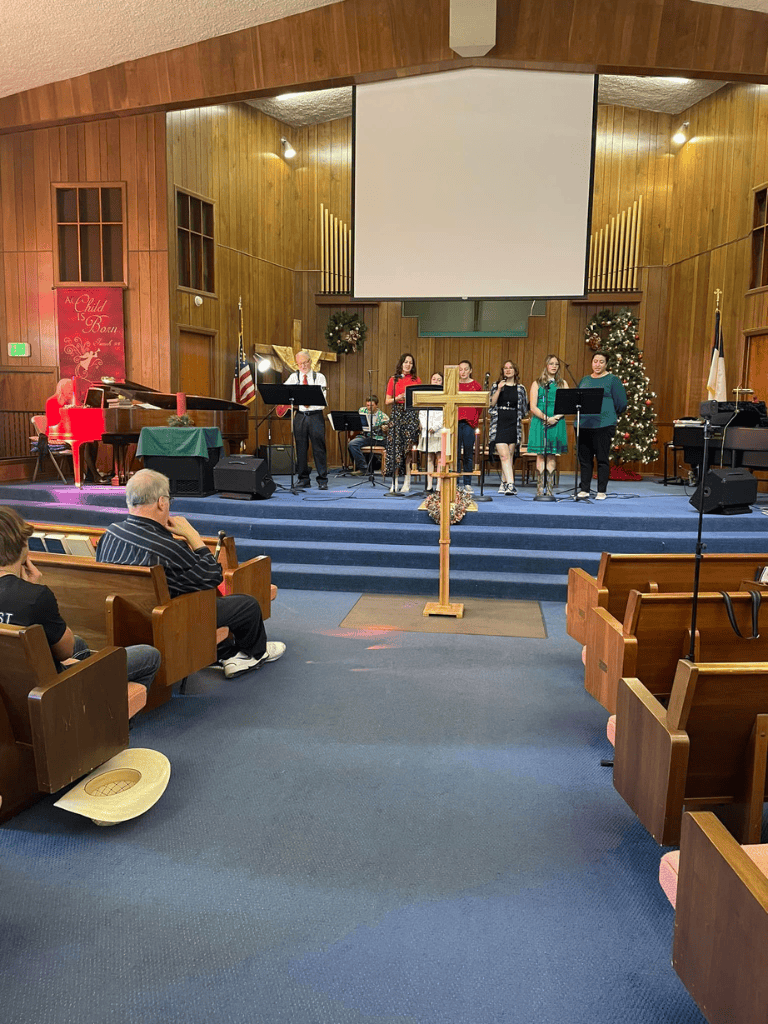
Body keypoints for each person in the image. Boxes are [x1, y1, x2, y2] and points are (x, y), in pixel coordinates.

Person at [96, 469, 285, 678]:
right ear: (161, 502)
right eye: (169, 499)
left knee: (192, 595)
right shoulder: (167, 547)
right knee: (247, 605)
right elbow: (213, 576)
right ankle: (253, 654)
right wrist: (193, 536)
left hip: (122, 620)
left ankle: (224, 652)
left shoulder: (110, 533)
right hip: (169, 621)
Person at [0, 506, 160, 691]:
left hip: (10, 685)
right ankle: (105, 713)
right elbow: (65, 652)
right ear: (22, 545)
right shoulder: (35, 597)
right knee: (149, 655)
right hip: (50, 692)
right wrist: (33, 589)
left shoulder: (31, 597)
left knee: (80, 643)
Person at [576, 350, 628, 500]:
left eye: (601, 362)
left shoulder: (612, 380)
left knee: (602, 458)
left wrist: (608, 414)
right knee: (585, 459)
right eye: (595, 361)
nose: (597, 364)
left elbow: (621, 403)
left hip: (603, 424)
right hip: (584, 424)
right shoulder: (585, 380)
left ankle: (601, 490)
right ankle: (584, 489)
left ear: (606, 364)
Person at [45, 378, 109, 484]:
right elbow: (54, 421)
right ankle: (95, 475)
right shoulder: (52, 401)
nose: (71, 390)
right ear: (61, 389)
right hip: (57, 433)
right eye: (68, 388)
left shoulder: (72, 401)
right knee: (83, 443)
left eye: (72, 388)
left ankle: (90, 474)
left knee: (93, 442)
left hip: (70, 431)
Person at [284, 350, 328, 490]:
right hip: (300, 416)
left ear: (310, 362)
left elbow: (322, 401)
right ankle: (303, 479)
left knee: (319, 448)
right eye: (300, 363)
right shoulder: (293, 377)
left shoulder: (319, 377)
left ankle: (322, 479)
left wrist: (307, 399)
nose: (303, 366)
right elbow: (284, 393)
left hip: (315, 416)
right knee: (301, 448)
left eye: (305, 362)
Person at [528, 354, 569, 497]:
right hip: (540, 420)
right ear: (546, 365)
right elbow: (532, 406)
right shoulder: (537, 383)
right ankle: (540, 490)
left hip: (557, 420)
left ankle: (550, 490)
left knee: (552, 455)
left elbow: (567, 405)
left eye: (556, 364)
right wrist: (546, 417)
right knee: (541, 455)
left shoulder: (562, 383)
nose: (554, 366)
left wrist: (555, 418)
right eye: (551, 363)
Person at [488, 360, 528, 495]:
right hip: (499, 422)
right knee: (504, 456)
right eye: (505, 368)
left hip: (514, 423)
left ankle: (504, 483)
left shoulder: (521, 388)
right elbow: (491, 404)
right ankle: (511, 484)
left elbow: (523, 410)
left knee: (510, 456)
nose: (508, 370)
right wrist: (499, 388)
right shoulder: (496, 385)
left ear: (515, 371)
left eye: (510, 368)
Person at [385, 353, 422, 494]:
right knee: (395, 448)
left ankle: (407, 481)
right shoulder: (393, 380)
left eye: (410, 363)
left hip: (411, 413)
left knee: (408, 449)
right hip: (397, 413)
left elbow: (420, 400)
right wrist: (398, 397)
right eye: (406, 362)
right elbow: (387, 401)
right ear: (401, 364)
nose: (408, 365)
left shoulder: (416, 380)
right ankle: (394, 481)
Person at [417, 372, 449, 493]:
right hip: (427, 431)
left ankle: (439, 485)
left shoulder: (444, 395)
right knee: (429, 458)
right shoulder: (427, 395)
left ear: (442, 382)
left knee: (440, 458)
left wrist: (435, 427)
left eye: (439, 379)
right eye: (434, 379)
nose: (436, 381)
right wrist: (426, 426)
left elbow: (445, 414)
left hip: (439, 431)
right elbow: (421, 412)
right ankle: (429, 485)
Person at [457, 359, 483, 490]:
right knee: (455, 454)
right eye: (461, 369)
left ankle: (467, 482)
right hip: (455, 423)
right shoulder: (454, 385)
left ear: (470, 370)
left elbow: (479, 406)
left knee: (468, 454)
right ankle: (454, 483)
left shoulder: (476, 385)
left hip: (469, 424)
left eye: (466, 369)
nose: (463, 372)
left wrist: (473, 419)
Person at [348, 395, 389, 475]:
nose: (369, 407)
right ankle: (363, 468)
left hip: (378, 439)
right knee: (352, 444)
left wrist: (385, 429)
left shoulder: (383, 417)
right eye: (367, 405)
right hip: (366, 437)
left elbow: (387, 432)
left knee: (390, 444)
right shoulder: (362, 411)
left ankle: (388, 469)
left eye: (372, 406)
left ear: (376, 405)